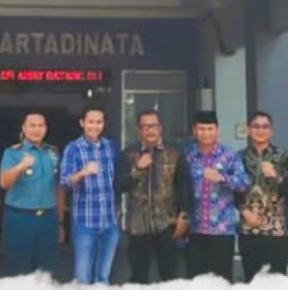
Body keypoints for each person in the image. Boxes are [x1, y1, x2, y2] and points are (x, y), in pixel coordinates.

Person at [117, 109, 189, 284]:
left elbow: (184, 186)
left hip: (167, 224)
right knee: (138, 277)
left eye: (153, 126)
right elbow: (120, 185)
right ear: (138, 130)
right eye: (145, 126)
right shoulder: (128, 154)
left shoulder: (175, 153)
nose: (149, 130)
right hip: (137, 225)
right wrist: (138, 169)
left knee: (169, 276)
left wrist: (184, 215)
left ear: (160, 128)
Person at [184, 111, 249, 282]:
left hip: (222, 230)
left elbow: (243, 184)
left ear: (217, 130)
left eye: (210, 129)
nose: (206, 133)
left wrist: (221, 178)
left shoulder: (229, 155)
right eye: (202, 129)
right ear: (194, 131)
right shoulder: (188, 155)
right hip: (194, 229)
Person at [60, 106, 119, 285]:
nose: (95, 126)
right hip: (85, 222)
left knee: (103, 277)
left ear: (104, 124)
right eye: (91, 122)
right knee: (82, 277)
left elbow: (117, 180)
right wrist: (82, 172)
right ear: (82, 123)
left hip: (109, 221)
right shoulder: (73, 148)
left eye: (99, 122)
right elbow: (65, 182)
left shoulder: (110, 146)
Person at [0, 112, 63, 277]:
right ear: (24, 128)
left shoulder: (53, 152)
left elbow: (58, 187)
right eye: (32, 126)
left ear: (46, 128)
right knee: (18, 268)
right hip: (20, 217)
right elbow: (4, 183)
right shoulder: (13, 152)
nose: (36, 129)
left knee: (47, 268)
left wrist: (60, 222)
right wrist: (20, 167)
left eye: (40, 125)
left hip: (48, 218)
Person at [236, 111, 288, 282]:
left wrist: (276, 176)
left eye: (265, 127)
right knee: (252, 279)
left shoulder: (283, 156)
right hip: (248, 228)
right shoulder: (239, 157)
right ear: (248, 129)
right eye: (256, 126)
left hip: (276, 229)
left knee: (276, 280)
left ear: (271, 131)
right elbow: (233, 190)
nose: (260, 130)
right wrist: (244, 212)